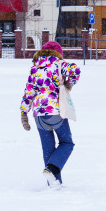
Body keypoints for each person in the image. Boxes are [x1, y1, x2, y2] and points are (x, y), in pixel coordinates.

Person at [20, 41, 81, 188]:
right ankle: (52, 169)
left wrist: (24, 112)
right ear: (58, 53)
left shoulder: (35, 68)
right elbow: (75, 70)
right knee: (67, 143)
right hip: (55, 111)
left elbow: (29, 92)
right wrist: (69, 83)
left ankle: (54, 183)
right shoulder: (59, 64)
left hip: (38, 114)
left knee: (48, 149)